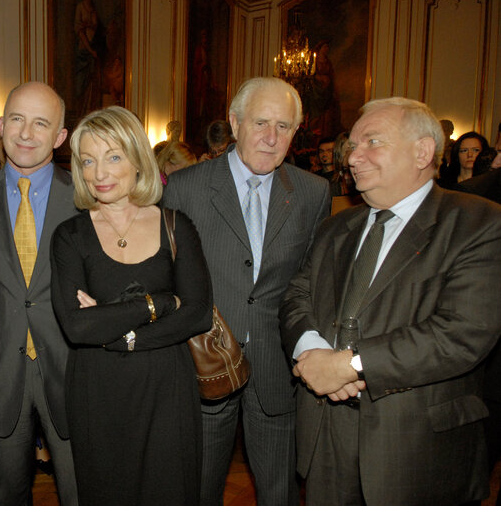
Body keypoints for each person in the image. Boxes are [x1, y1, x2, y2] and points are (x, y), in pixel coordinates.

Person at [280, 97, 501, 505]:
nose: (353, 157)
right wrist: (312, 352)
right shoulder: (336, 226)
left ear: (422, 151)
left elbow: (464, 332)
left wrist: (351, 364)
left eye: (372, 142)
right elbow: (297, 295)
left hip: (418, 445)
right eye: (352, 146)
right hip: (327, 435)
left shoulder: (478, 222)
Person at [164, 77, 331, 506]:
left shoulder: (313, 192)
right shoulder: (186, 187)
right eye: (260, 123)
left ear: (296, 132)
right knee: (198, 489)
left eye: (284, 126)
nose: (271, 138)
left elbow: (312, 281)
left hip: (279, 369)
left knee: (281, 492)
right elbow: (168, 277)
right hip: (206, 363)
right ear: (235, 123)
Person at [50, 105, 212, 505]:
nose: (99, 173)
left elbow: (197, 312)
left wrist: (119, 331)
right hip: (97, 391)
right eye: (87, 160)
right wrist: (158, 302)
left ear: (138, 160)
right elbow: (77, 327)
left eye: (113, 157)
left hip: (166, 389)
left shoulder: (176, 225)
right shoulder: (69, 235)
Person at [0, 81, 78, 506]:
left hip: (71, 368)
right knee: (8, 495)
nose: (25, 133)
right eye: (16, 119)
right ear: (1, 126)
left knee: (80, 491)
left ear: (59, 137)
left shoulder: (88, 199)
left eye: (41, 123)